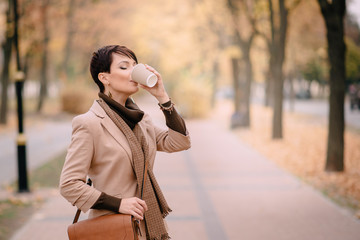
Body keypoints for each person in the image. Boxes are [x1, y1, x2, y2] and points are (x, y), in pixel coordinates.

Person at [59, 45, 191, 240]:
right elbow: (69, 184)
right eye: (124, 67)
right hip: (112, 228)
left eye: (135, 66)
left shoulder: (140, 120)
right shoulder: (89, 123)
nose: (133, 72)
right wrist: (119, 204)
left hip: (148, 227)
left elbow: (179, 142)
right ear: (104, 78)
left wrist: (162, 97)